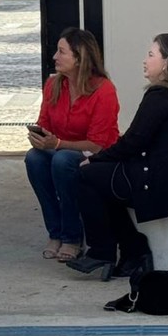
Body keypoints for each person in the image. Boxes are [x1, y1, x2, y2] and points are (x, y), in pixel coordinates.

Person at [67, 34, 168, 281]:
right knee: (103, 181)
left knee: (85, 175)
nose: (144, 61)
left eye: (151, 55)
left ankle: (106, 251)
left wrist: (95, 159)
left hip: (165, 185)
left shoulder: (160, 96)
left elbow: (133, 141)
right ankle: (131, 252)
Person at [25, 28, 120, 262]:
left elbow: (98, 144)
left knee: (62, 160)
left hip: (96, 156)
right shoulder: (54, 85)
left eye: (61, 52)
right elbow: (44, 123)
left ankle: (72, 237)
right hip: (61, 150)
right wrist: (40, 138)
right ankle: (56, 232)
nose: (55, 57)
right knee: (34, 158)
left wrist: (57, 143)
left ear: (79, 57)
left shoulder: (103, 90)